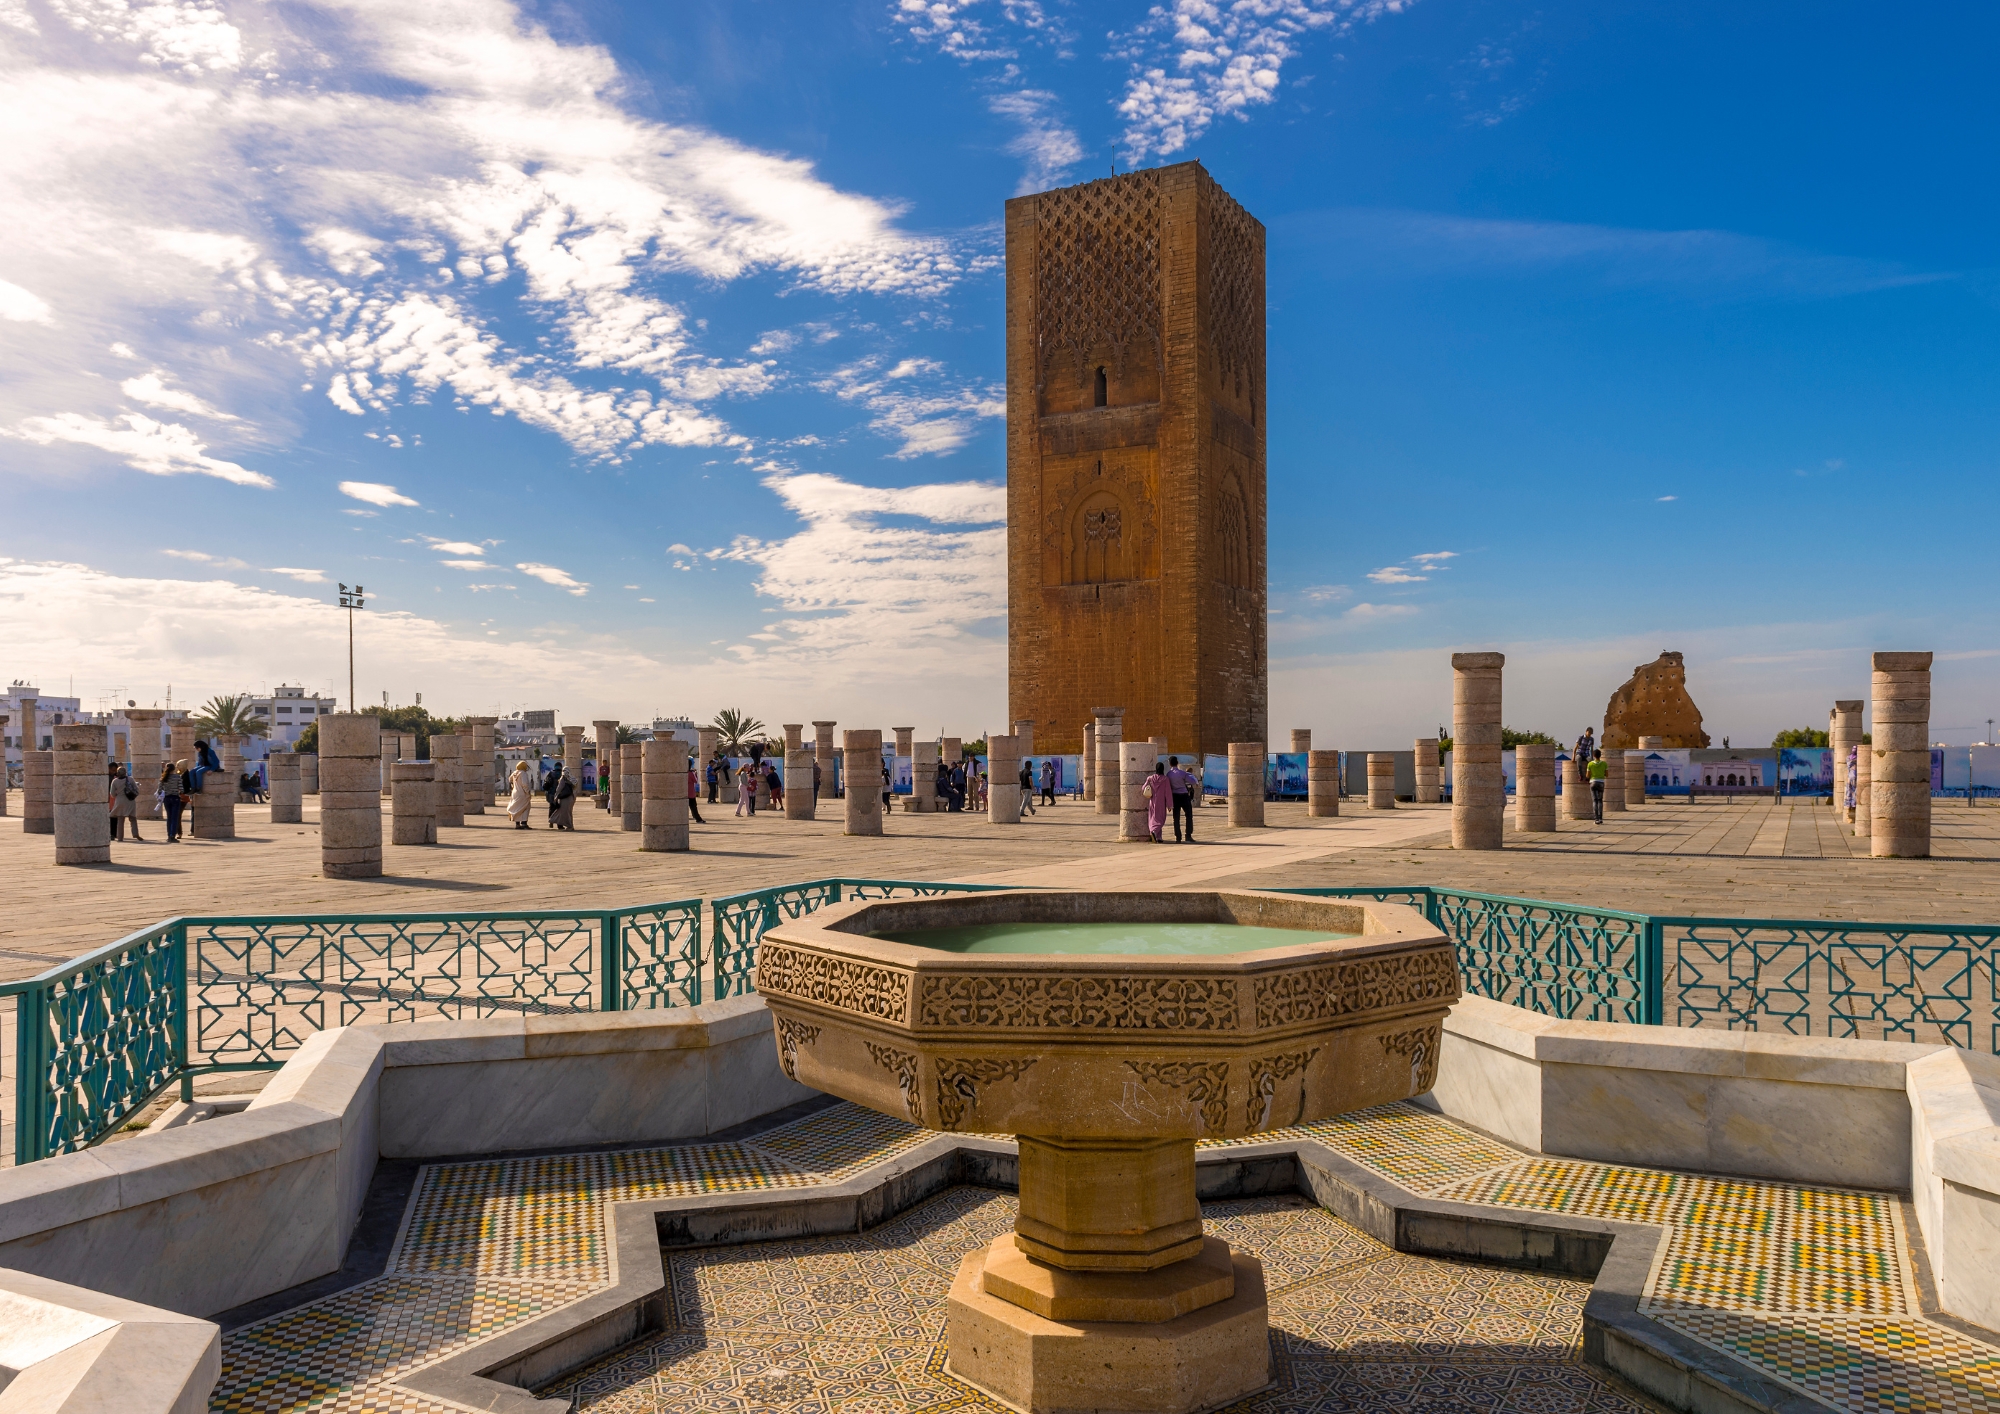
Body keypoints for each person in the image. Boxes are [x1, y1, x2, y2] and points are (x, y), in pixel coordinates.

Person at [1167, 755, 1197, 843]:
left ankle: (1178, 837)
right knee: (1188, 815)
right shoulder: (1183, 773)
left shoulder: (1168, 774)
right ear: (1177, 763)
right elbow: (1193, 781)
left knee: (1176, 817)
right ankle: (1188, 835)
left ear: (1170, 764)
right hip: (1184, 795)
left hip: (1174, 796)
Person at [108, 761, 142, 841]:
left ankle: (120, 837)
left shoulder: (115, 781)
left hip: (120, 801)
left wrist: (118, 794)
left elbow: (112, 794)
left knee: (120, 819)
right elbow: (136, 789)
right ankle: (135, 834)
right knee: (133, 818)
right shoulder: (130, 779)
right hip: (130, 800)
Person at [1143, 760, 1171, 843]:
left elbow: (1143, 788)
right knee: (1161, 819)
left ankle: (1159, 837)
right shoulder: (1165, 779)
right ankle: (1154, 831)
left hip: (1152, 801)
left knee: (1153, 817)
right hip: (1161, 802)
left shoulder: (1150, 778)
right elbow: (1168, 792)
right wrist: (1169, 805)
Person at [159, 760, 187, 842]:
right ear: (174, 769)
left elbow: (159, 790)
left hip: (167, 798)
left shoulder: (163, 778)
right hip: (175, 798)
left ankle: (168, 835)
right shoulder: (177, 777)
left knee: (169, 817)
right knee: (175, 817)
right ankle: (172, 835)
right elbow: (181, 789)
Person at [507, 760, 534, 828]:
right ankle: (524, 823)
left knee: (517, 808)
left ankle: (517, 823)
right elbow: (525, 784)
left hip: (515, 793)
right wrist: (528, 792)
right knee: (526, 807)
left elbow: (510, 779)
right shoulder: (523, 773)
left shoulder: (515, 773)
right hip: (522, 793)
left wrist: (514, 785)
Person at [549, 763, 577, 829]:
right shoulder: (572, 778)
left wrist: (556, 797)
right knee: (569, 812)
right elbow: (575, 789)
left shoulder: (563, 778)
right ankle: (570, 825)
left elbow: (559, 788)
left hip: (565, 798)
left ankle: (568, 825)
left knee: (564, 812)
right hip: (571, 798)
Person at [1587, 748, 1608, 823]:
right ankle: (1600, 818)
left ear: (1593, 755)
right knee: (1600, 800)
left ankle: (1596, 819)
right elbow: (1607, 774)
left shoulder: (1590, 764)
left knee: (1594, 800)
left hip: (1593, 782)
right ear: (1600, 755)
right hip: (1601, 782)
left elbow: (1588, 775)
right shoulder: (1604, 763)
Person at [687, 758, 706, 824]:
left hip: (684, 792)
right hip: (691, 793)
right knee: (693, 807)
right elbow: (695, 780)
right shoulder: (691, 773)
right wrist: (695, 773)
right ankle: (698, 819)